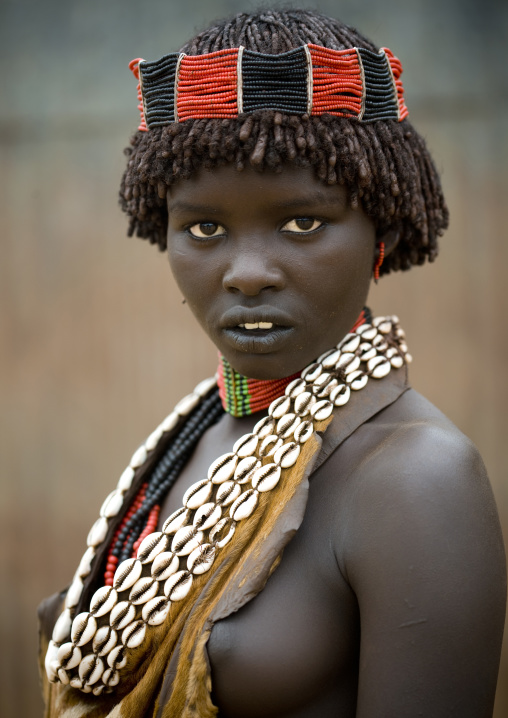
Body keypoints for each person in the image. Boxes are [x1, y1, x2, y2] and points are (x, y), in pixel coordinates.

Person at [38, 9, 506, 718]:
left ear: (382, 226)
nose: (248, 273)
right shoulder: (197, 434)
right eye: (204, 227)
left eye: (302, 222)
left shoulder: (415, 482)